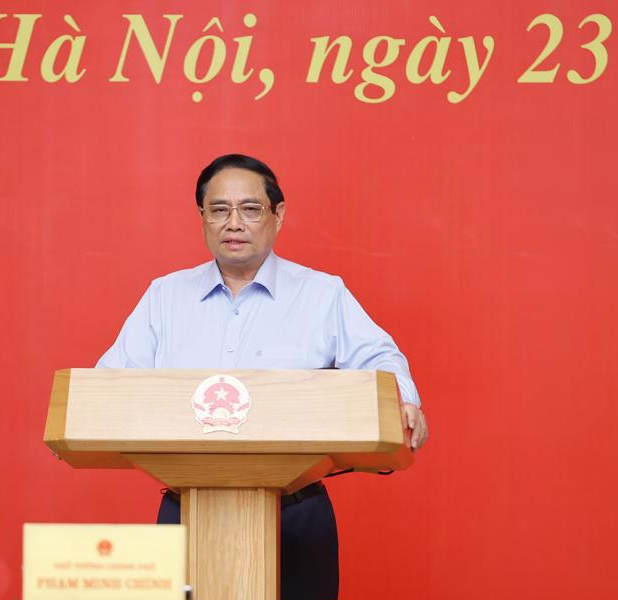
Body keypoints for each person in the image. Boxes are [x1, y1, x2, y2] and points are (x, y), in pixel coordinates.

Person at [97, 154, 428, 600]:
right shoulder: (164, 297)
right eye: (219, 210)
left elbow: (380, 357)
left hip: (295, 513)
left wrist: (402, 399)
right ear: (202, 218)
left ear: (278, 215)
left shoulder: (321, 293)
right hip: (186, 508)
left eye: (250, 209)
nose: (234, 222)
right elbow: (107, 389)